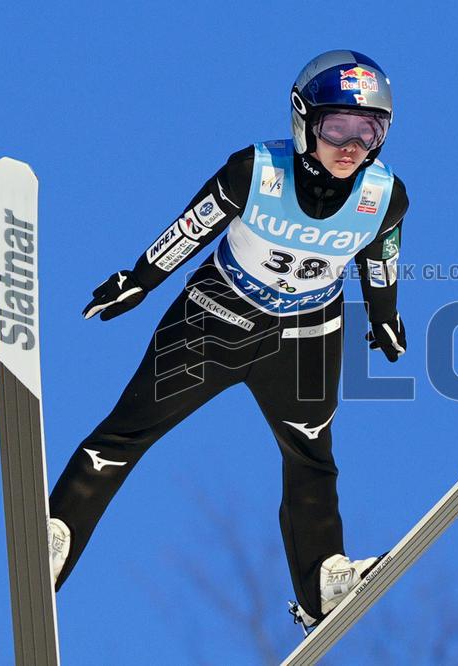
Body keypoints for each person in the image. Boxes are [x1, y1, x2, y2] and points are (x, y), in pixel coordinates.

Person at [46, 49, 409, 630]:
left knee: (312, 455)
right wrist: (138, 280)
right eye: (337, 126)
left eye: (368, 131)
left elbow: (381, 257)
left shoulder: (386, 196)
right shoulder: (254, 171)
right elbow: (191, 228)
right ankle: (56, 533)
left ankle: (322, 582)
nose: (351, 146)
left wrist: (385, 315)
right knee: (128, 430)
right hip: (215, 320)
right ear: (304, 121)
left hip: (305, 337)